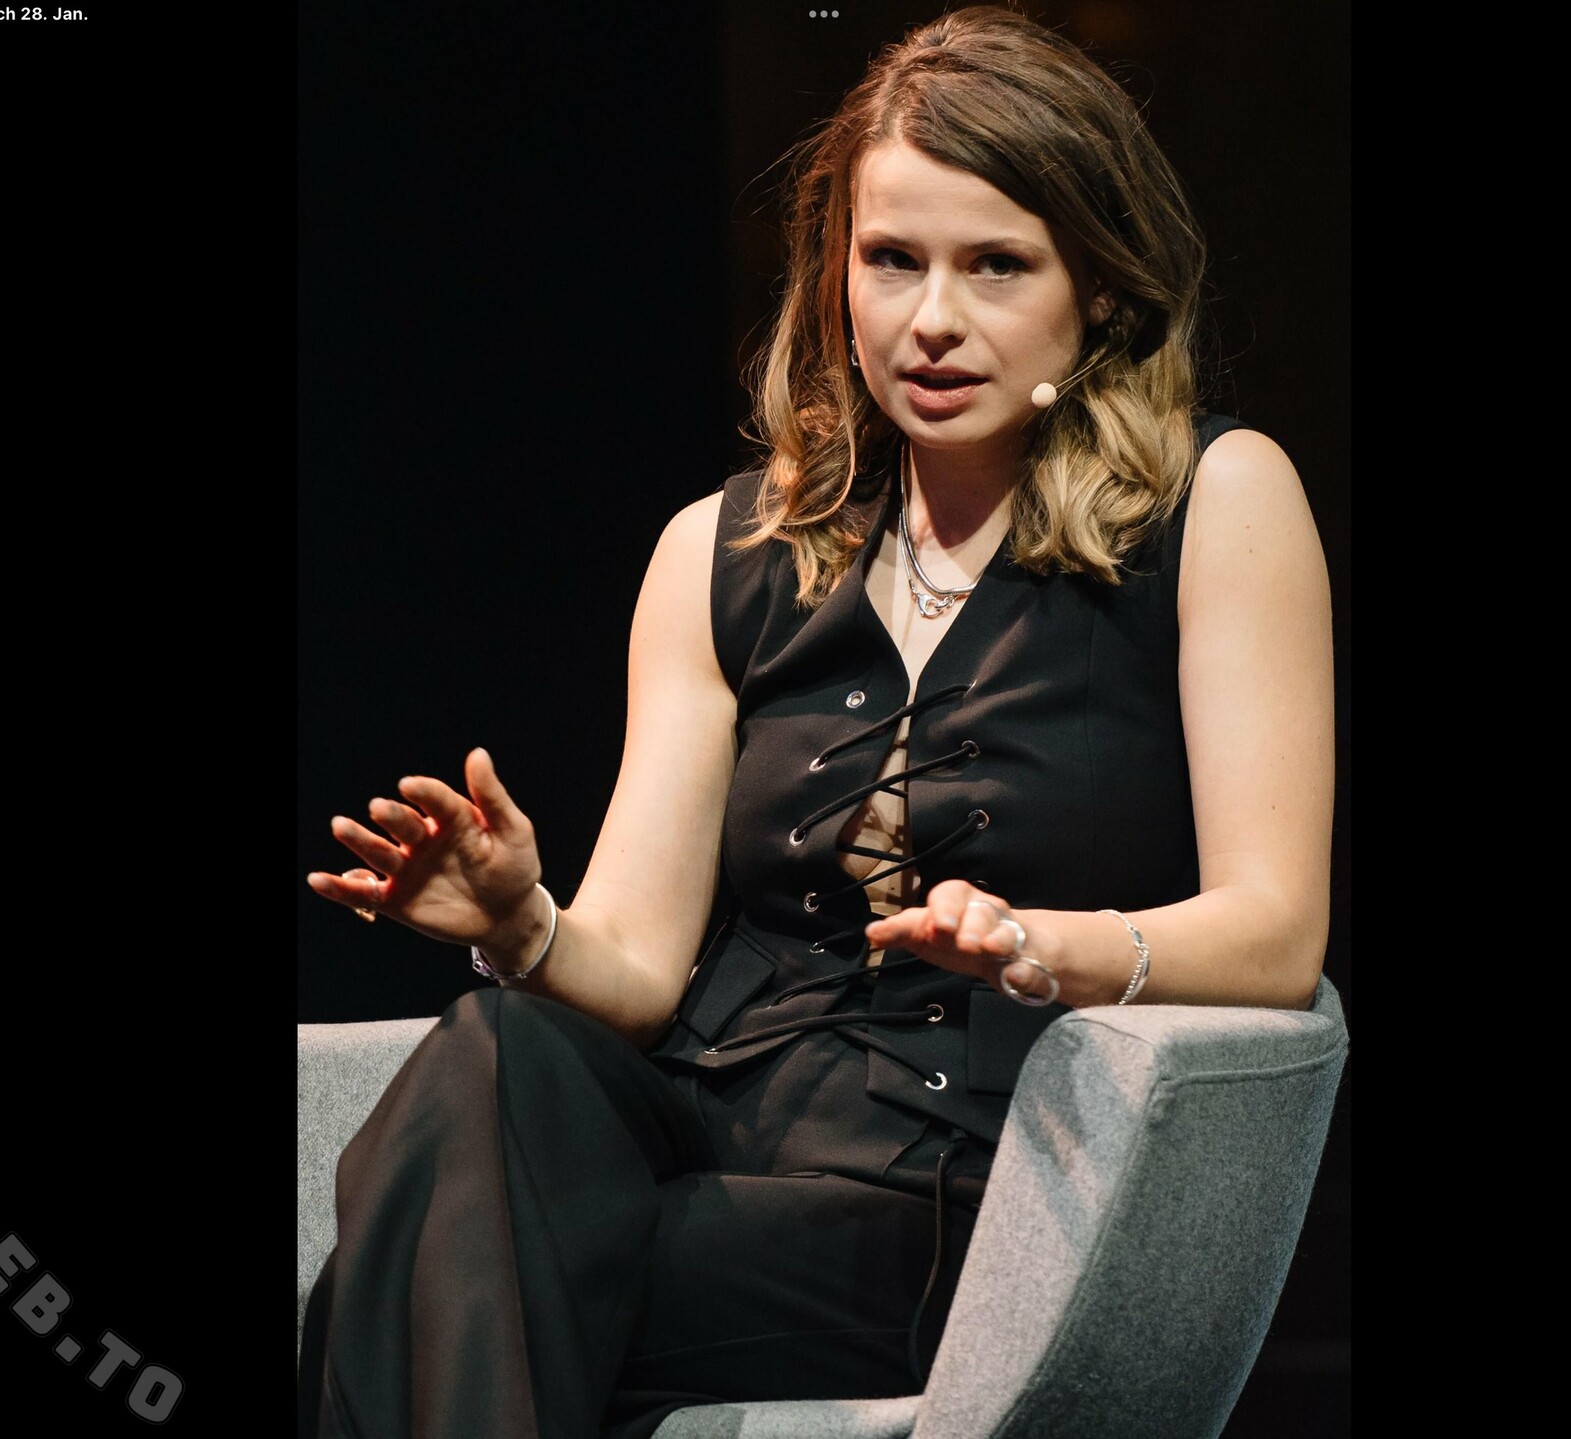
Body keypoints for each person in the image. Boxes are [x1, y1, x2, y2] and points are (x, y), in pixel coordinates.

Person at [297, 6, 1334, 1436]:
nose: (932, 319)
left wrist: (1040, 946)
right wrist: (520, 924)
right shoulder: (723, 550)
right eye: (891, 259)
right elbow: (636, 971)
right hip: (702, 1129)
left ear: (1098, 286)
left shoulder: (1218, 506)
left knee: (418, 1288)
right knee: (498, 1051)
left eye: (996, 265)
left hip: (962, 1191)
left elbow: (1277, 937)